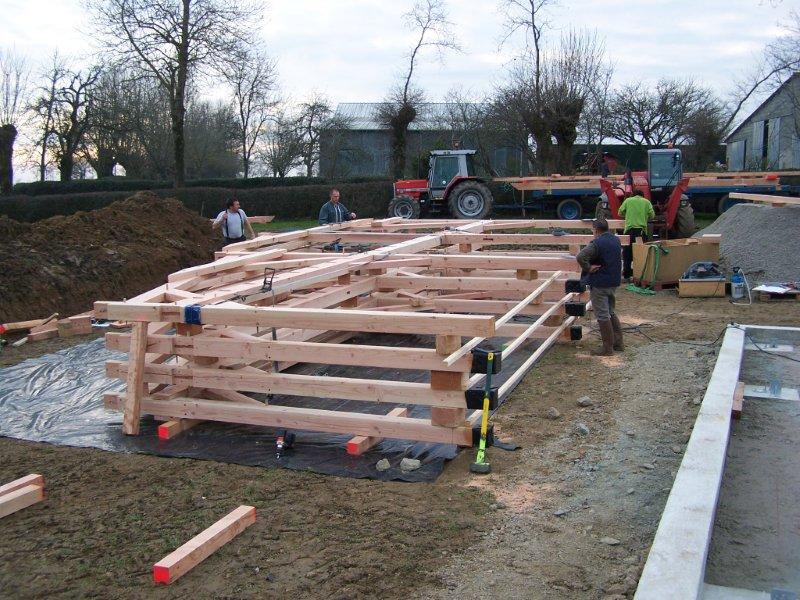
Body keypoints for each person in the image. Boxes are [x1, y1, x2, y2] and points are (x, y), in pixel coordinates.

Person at [576, 219, 623, 356]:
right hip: (613, 281)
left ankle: (607, 348)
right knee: (611, 311)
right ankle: (618, 343)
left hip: (600, 283)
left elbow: (581, 256)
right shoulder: (616, 240)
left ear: (596, 230)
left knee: (603, 315)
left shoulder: (596, 243)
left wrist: (588, 268)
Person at [617, 189, 655, 279]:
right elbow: (652, 215)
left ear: (633, 195)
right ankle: (640, 274)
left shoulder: (628, 200)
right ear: (642, 195)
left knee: (627, 253)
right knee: (641, 253)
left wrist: (628, 214)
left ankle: (626, 274)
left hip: (629, 231)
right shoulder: (646, 202)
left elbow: (620, 213)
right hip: (641, 232)